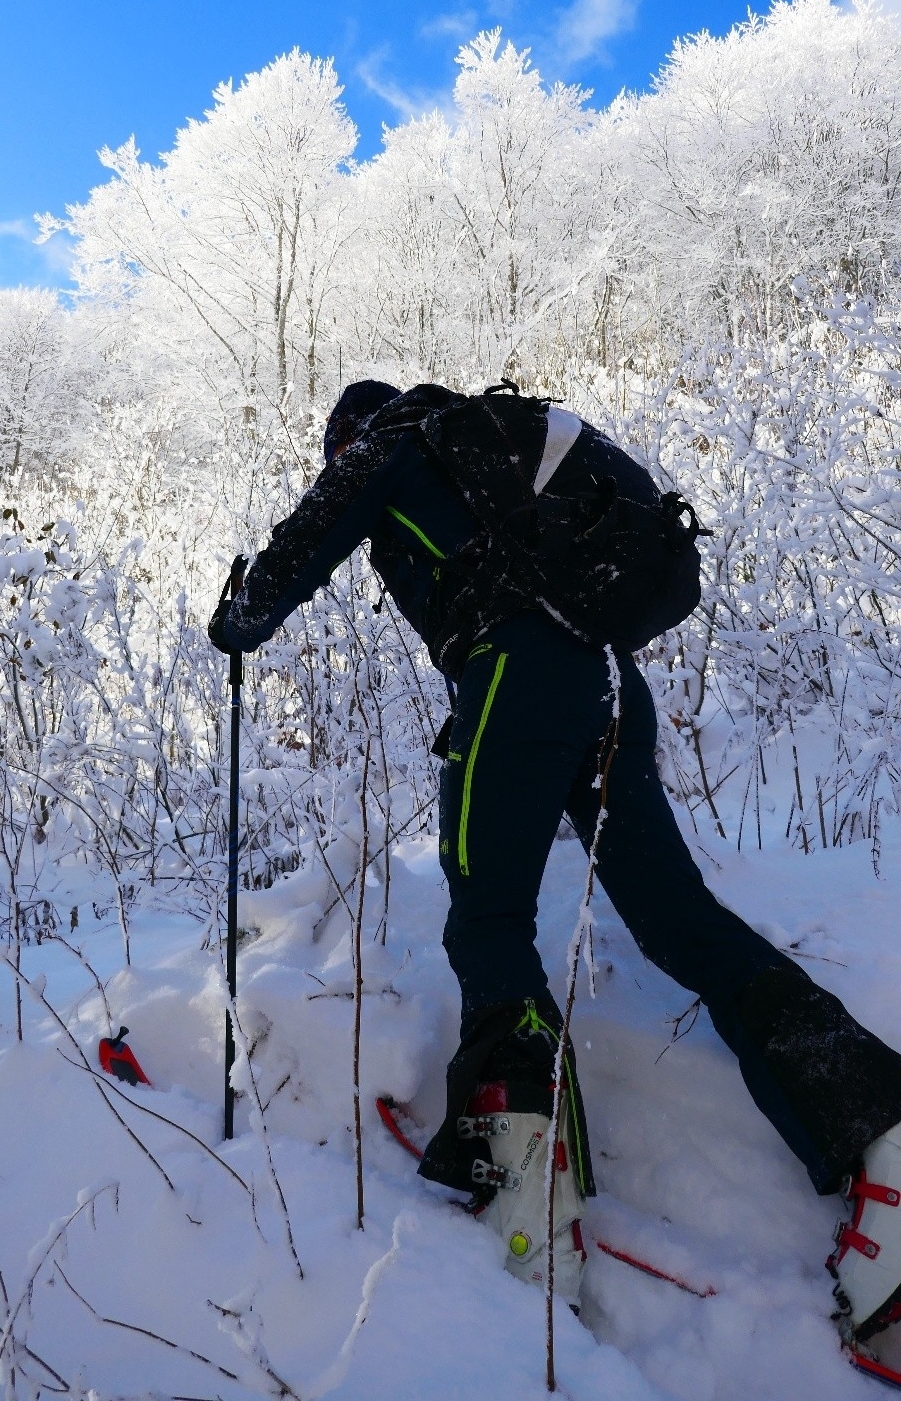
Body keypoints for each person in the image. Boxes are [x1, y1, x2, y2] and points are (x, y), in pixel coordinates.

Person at [209, 379, 901, 1336]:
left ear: (346, 436)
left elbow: (305, 542)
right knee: (679, 924)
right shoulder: (512, 456)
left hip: (514, 672)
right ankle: (878, 1123)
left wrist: (238, 620)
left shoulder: (395, 442)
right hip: (612, 683)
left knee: (488, 915)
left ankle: (520, 1168)